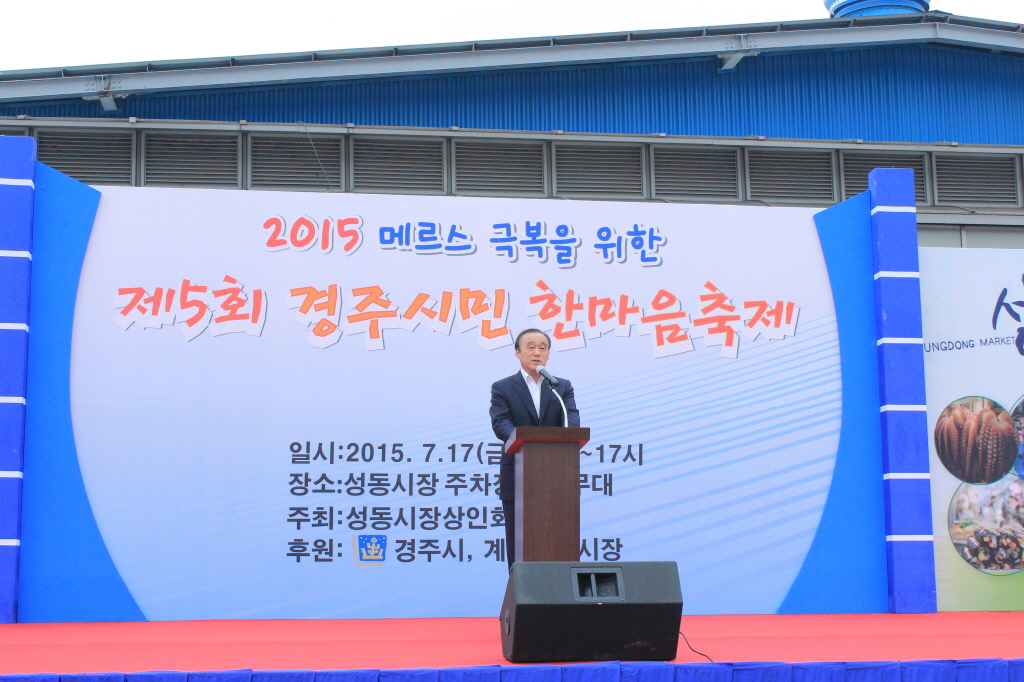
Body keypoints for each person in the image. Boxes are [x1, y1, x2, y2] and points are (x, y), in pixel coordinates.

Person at [489, 328, 580, 568]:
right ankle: (520, 599)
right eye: (530, 347)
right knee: (518, 542)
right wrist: (527, 444)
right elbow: (501, 424)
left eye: (543, 347)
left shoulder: (560, 387)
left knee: (559, 540)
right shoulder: (503, 387)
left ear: (548, 354)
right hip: (517, 475)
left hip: (557, 480)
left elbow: (571, 420)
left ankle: (561, 598)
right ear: (517, 352)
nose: (537, 352)